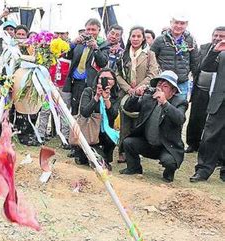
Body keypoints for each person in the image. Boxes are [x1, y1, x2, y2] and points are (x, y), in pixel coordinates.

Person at [120, 70, 188, 182]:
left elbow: (180, 119)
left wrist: (165, 103)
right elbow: (128, 108)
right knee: (128, 142)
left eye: (165, 86)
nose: (160, 88)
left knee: (170, 162)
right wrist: (136, 95)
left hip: (167, 147)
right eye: (159, 84)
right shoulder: (148, 98)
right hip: (147, 143)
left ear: (173, 91)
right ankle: (134, 168)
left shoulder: (180, 102)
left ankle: (168, 174)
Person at [116, 26, 160, 163]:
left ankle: (135, 152)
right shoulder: (123, 54)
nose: (135, 39)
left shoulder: (150, 55)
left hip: (143, 94)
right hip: (126, 94)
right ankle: (122, 151)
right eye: (133, 36)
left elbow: (152, 74)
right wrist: (129, 89)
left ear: (143, 38)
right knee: (125, 125)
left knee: (138, 124)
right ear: (129, 37)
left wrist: (139, 88)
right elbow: (117, 74)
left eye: (138, 36)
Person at [190, 37, 225, 182]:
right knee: (210, 137)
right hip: (219, 102)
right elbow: (205, 67)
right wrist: (215, 51)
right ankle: (203, 170)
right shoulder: (222, 54)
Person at [185, 26, 225, 153]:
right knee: (196, 117)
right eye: (216, 35)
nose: (217, 38)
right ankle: (193, 143)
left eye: (221, 36)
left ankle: (215, 151)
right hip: (201, 88)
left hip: (218, 93)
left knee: (214, 122)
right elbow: (198, 65)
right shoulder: (203, 48)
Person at [63, 18, 110, 116]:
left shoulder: (103, 45)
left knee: (85, 111)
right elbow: (66, 55)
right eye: (88, 29)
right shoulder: (79, 42)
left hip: (90, 84)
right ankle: (74, 131)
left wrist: (96, 48)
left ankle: (84, 131)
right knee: (74, 109)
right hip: (75, 83)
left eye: (93, 30)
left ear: (99, 31)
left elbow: (103, 63)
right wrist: (73, 43)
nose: (90, 32)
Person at [75, 68, 120, 169]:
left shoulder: (115, 96)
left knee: (112, 138)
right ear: (97, 79)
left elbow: (113, 116)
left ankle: (103, 157)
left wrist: (106, 99)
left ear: (114, 81)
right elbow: (84, 113)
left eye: (109, 78)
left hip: (104, 132)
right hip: (89, 132)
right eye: (102, 78)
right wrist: (96, 97)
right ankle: (82, 153)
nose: (106, 80)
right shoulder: (89, 91)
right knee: (97, 162)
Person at [151, 15, 200, 99]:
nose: (179, 26)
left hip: (182, 82)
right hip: (164, 82)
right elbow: (151, 59)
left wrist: (195, 80)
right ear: (171, 23)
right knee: (160, 108)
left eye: (182, 23)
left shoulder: (191, 41)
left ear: (186, 25)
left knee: (179, 109)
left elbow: (194, 63)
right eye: (176, 22)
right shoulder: (160, 40)